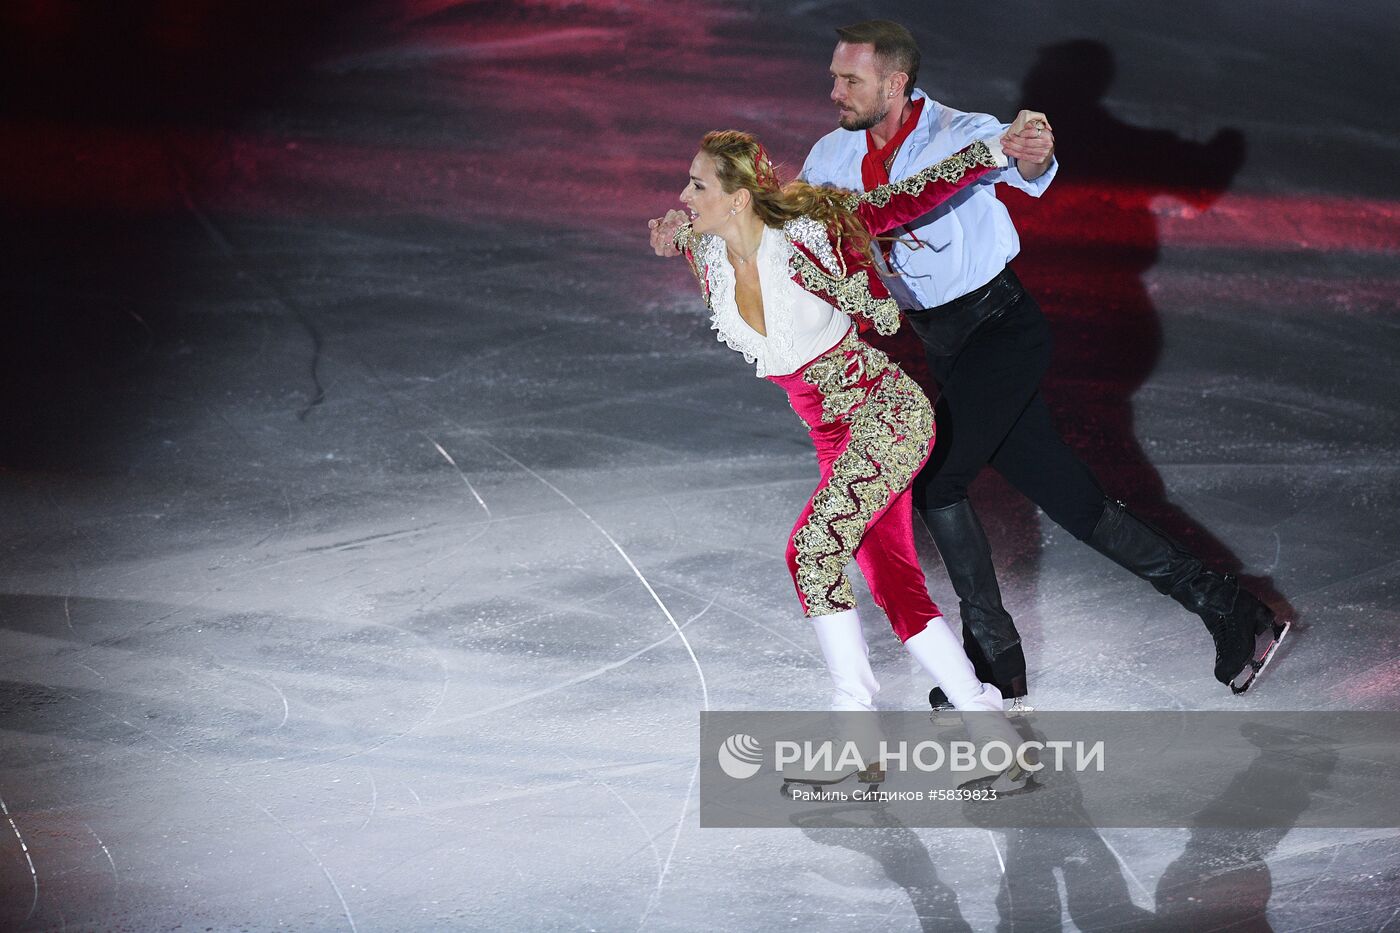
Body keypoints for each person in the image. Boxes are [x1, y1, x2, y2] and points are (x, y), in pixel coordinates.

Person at [797, 20, 1288, 706]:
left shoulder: (958, 133)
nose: (835, 91)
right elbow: (783, 217)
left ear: (895, 83)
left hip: (1002, 329)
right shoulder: (831, 154)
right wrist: (698, 224)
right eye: (835, 76)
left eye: (850, 79)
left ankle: (993, 657)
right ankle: (1231, 608)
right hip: (945, 342)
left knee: (936, 477)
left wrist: (1030, 153)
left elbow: (1025, 167)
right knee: (1073, 498)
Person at [647, 128, 1032, 716]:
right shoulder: (708, 257)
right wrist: (672, 239)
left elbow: (905, 197)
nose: (684, 194)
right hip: (835, 440)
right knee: (894, 584)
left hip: (888, 415)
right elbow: (681, 237)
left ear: (739, 198)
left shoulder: (808, 234)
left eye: (698, 185)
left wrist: (994, 151)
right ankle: (981, 715)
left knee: (814, 548)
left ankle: (854, 721)